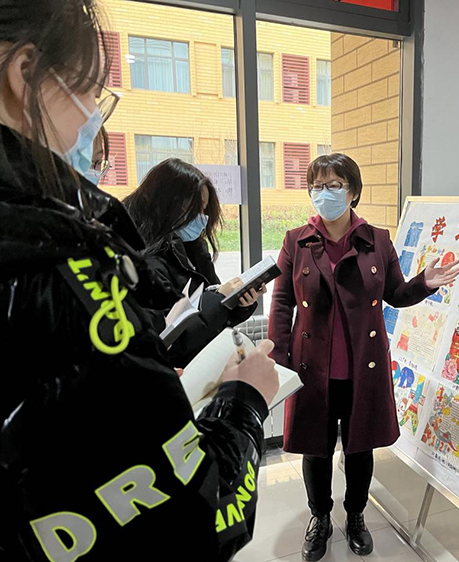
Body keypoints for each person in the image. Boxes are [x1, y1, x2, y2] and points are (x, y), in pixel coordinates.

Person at [0, 1, 278, 560]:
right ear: (25, 72)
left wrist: (226, 309)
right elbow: (195, 510)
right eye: (90, 92)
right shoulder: (69, 263)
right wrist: (245, 402)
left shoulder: (76, 245)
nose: (89, 120)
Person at [268, 153, 459, 560]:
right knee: (316, 449)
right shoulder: (295, 241)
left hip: (363, 367)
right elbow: (282, 302)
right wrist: (278, 359)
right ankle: (320, 518)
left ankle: (355, 516)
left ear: (352, 191)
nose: (324, 193)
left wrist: (424, 282)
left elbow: (396, 294)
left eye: (334, 185)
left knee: (360, 447)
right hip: (312, 368)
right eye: (317, 186)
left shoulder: (377, 239)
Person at [124, 158, 264, 366]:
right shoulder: (143, 262)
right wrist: (219, 299)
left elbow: (210, 317)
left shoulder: (193, 248)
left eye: (205, 209)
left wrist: (237, 304)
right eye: (195, 209)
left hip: (199, 365)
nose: (202, 218)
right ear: (167, 205)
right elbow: (168, 338)